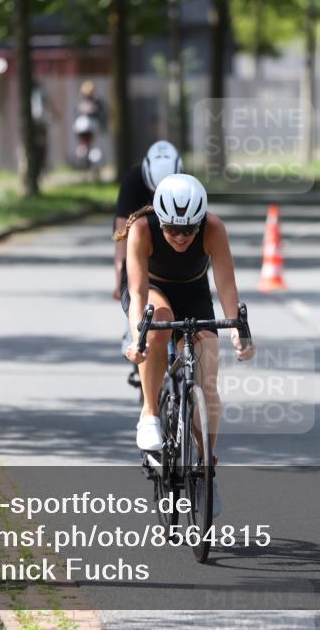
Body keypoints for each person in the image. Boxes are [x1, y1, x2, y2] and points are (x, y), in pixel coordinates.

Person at [116, 175, 254, 484]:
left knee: (208, 376)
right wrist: (139, 337)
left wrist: (237, 334)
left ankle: (206, 464)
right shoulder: (141, 229)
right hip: (151, 291)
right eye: (173, 230)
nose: (181, 237)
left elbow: (227, 287)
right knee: (160, 320)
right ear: (161, 221)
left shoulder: (214, 228)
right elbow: (137, 292)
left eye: (189, 229)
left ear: (200, 221)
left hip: (193, 293)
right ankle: (150, 413)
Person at [113, 140, 184, 300]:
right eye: (154, 191)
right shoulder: (132, 182)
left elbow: (200, 241)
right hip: (136, 233)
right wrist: (120, 282)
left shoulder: (187, 185)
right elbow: (121, 241)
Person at [73, 80, 108, 170]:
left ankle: (86, 164)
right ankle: (89, 165)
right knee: (92, 146)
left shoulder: (81, 103)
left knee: (85, 145)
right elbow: (103, 115)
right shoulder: (96, 102)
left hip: (82, 127)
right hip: (91, 127)